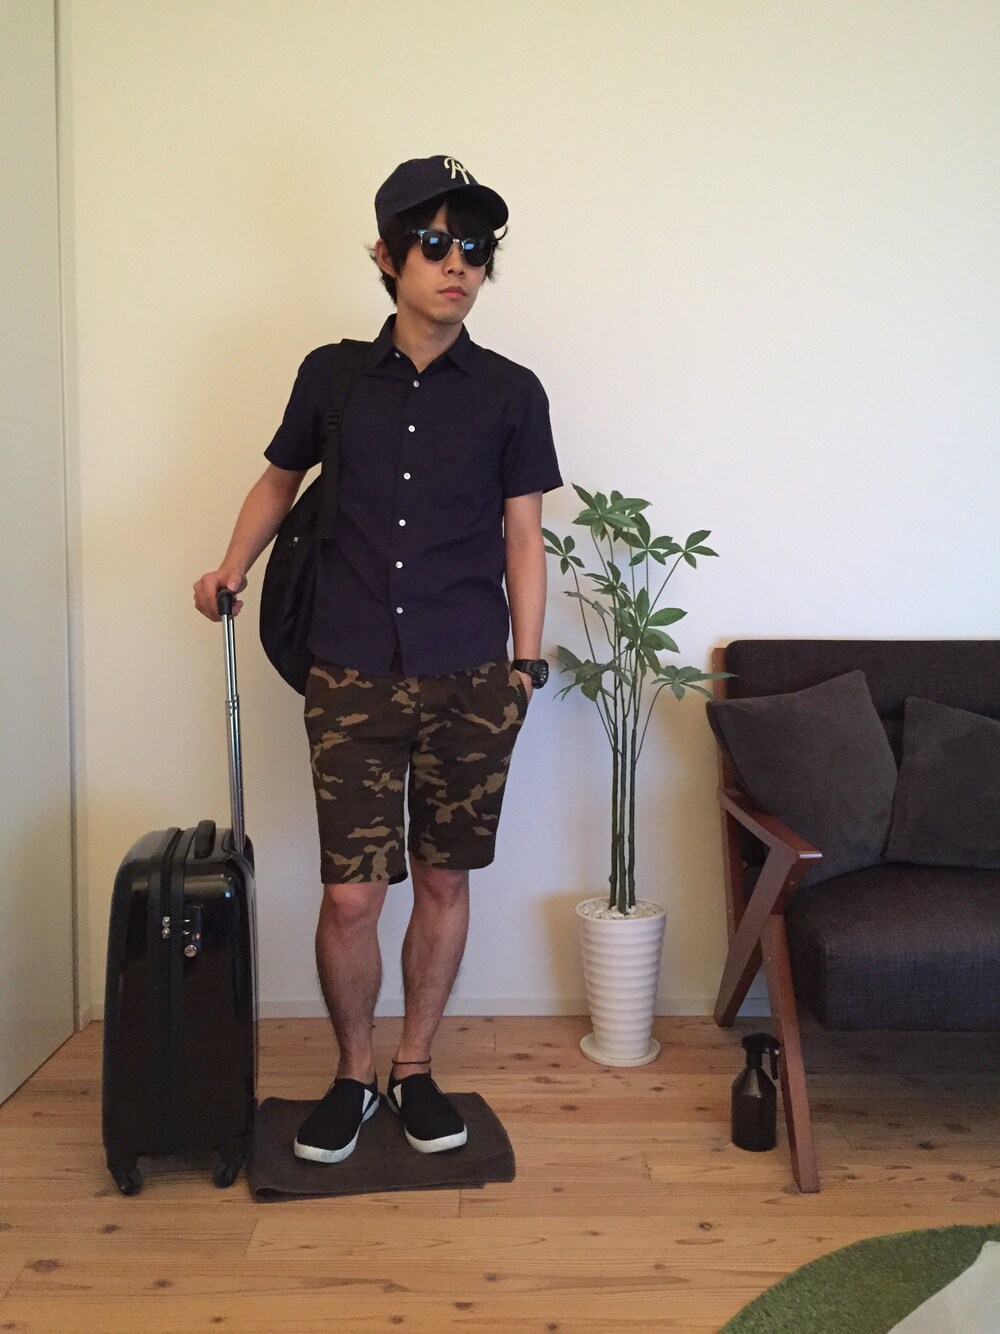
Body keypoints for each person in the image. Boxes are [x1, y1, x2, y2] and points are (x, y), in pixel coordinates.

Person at [193, 155, 561, 1165]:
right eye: (434, 243)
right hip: (350, 668)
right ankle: (354, 1074)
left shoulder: (512, 392)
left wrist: (525, 666)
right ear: (390, 256)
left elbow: (523, 534)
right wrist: (229, 565)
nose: (458, 263)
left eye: (474, 246)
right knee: (353, 893)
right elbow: (279, 481)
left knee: (442, 881)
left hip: (470, 676)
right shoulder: (332, 375)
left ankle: (415, 1066)